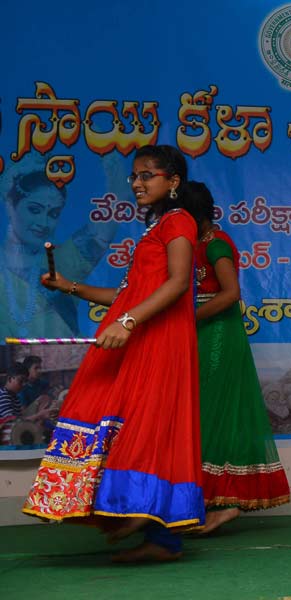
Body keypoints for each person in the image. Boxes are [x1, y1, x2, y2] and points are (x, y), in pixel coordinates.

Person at [21, 144, 204, 563]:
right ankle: (157, 534)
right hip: (140, 334)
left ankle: (142, 514)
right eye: (134, 177)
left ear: (173, 182)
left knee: (151, 422)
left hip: (160, 339)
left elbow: (176, 285)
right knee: (125, 415)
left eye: (147, 175)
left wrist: (127, 323)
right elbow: (126, 296)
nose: (137, 183)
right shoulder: (157, 228)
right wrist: (68, 286)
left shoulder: (179, 222)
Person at [181, 181, 291, 533]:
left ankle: (224, 503)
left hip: (216, 333)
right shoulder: (194, 244)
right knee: (199, 415)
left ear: (196, 217)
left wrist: (188, 320)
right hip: (198, 332)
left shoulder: (216, 245)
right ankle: (203, 500)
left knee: (214, 414)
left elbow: (231, 294)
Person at [0, 153, 123, 337]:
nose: (43, 222)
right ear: (11, 207)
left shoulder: (58, 264)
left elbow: (100, 232)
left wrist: (110, 155)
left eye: (53, 214)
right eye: (34, 210)